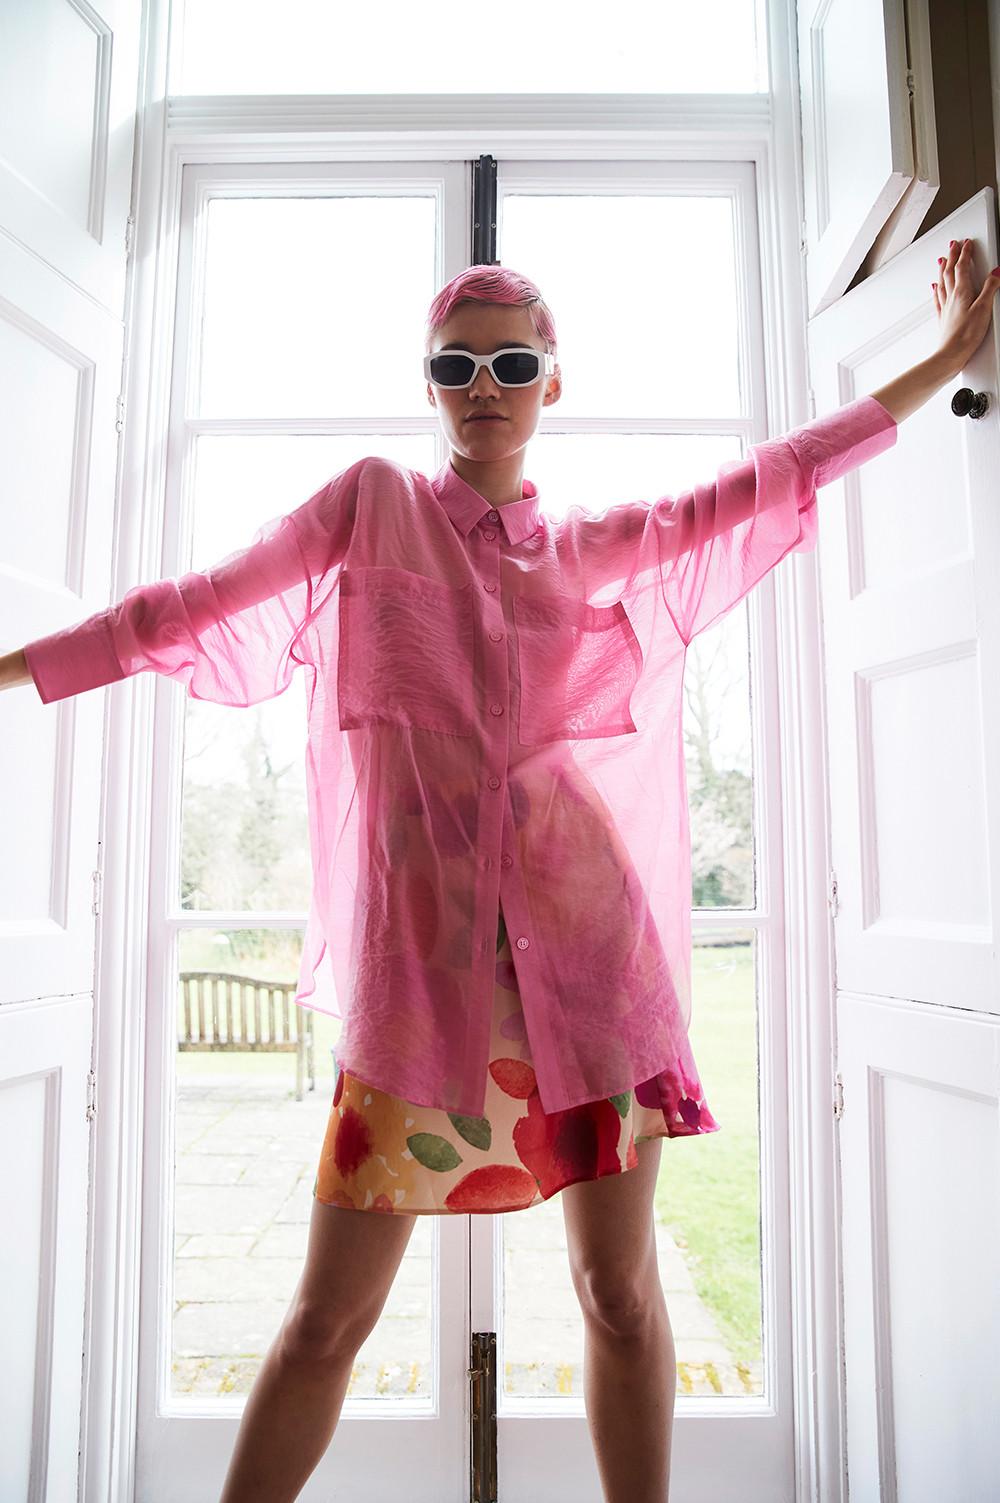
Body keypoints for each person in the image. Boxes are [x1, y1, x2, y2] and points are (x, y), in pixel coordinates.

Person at [2, 239, 995, 1503]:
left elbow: (768, 482)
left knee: (617, 1294)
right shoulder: (370, 510)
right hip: (416, 981)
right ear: (428, 385)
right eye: (458, 363)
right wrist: (11, 672)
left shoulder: (590, 547)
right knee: (324, 1321)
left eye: (513, 361)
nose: (486, 382)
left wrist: (937, 365)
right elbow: (191, 605)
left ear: (551, 385)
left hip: (590, 966)